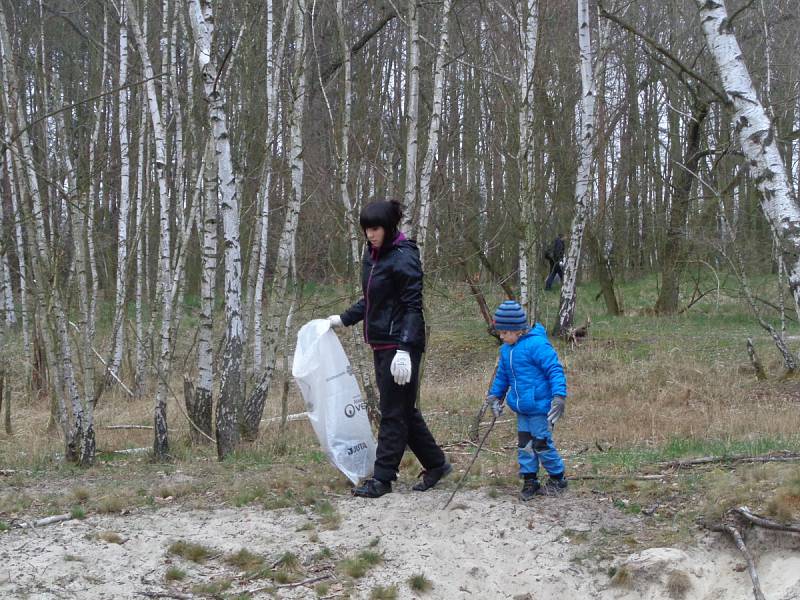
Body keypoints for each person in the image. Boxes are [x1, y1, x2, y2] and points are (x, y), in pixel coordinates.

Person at [327, 199, 451, 498]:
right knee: (403, 410)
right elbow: (373, 301)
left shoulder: (403, 257)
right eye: (366, 229)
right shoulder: (373, 257)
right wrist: (344, 319)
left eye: (375, 228)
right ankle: (436, 464)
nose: (370, 234)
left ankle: (382, 479)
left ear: (388, 227)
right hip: (382, 343)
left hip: (400, 347)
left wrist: (406, 349)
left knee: (393, 413)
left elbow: (412, 306)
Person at [486, 300, 568, 500]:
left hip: (540, 407)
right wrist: (495, 396)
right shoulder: (506, 350)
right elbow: (503, 377)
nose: (501, 336)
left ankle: (558, 479)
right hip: (522, 407)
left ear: (518, 330)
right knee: (525, 445)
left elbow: (554, 369)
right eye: (500, 332)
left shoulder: (537, 344)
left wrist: (559, 396)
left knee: (541, 443)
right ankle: (530, 480)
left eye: (505, 332)